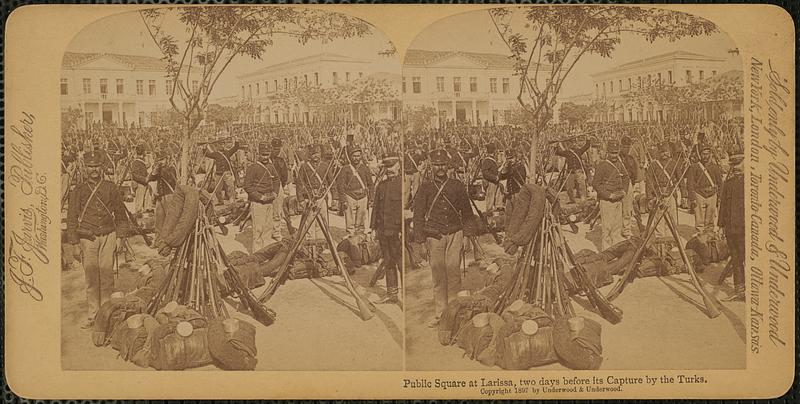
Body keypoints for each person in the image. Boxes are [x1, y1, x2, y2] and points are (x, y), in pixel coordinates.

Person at [66, 151, 130, 329]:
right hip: (88, 238)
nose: (94, 170)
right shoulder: (78, 190)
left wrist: (120, 237)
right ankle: (93, 315)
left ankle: (106, 314)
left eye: (97, 166)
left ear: (102, 167)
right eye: (90, 166)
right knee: (92, 278)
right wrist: (74, 244)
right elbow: (71, 218)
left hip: (109, 236)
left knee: (107, 275)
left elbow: (121, 215)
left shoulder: (111, 187)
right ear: (85, 168)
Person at [413, 149, 474, 327]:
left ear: (448, 166)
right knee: (438, 276)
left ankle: (454, 313)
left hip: (455, 233)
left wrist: (467, 236)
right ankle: (441, 314)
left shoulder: (457, 185)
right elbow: (418, 215)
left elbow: (468, 213)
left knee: (454, 274)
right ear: (432, 166)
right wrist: (421, 242)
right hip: (434, 235)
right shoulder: (425, 187)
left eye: (443, 165)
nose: (440, 168)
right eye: (437, 165)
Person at [370, 155, 403, 305]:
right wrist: (373, 228)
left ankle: (406, 297)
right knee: (389, 261)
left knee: (401, 263)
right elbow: (376, 208)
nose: (389, 170)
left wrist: (404, 229)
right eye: (387, 168)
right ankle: (392, 294)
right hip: (383, 230)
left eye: (392, 167)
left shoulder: (403, 185)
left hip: (398, 231)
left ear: (398, 167)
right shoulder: (381, 186)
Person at [244, 141, 281, 253]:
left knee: (268, 229)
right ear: (258, 154)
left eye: (267, 154)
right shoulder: (253, 167)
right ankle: (257, 254)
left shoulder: (270, 166)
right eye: (263, 154)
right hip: (258, 203)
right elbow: (247, 186)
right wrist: (260, 197)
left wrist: (275, 192)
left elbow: (276, 180)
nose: (265, 157)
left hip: (269, 201)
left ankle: (266, 253)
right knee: (258, 230)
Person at [718, 148, 745, 301]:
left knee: (749, 259)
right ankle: (739, 290)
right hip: (730, 229)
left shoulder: (752, 183)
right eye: (732, 165)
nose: (735, 167)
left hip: (745, 230)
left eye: (738, 164)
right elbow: (723, 206)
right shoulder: (728, 183)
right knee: (736, 259)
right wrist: (721, 226)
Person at [592, 140, 629, 251]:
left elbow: (626, 178)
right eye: (612, 153)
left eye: (616, 153)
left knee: (617, 228)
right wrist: (608, 195)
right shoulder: (602, 165)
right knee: (607, 229)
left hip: (618, 199)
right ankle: (607, 252)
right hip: (607, 200)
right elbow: (596, 184)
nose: (614, 155)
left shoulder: (620, 164)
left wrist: (624, 191)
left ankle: (616, 251)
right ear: (608, 152)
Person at [686, 144, 723, 235]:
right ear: (700, 155)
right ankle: (700, 238)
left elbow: (720, 183)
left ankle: (709, 237)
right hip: (699, 195)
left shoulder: (715, 167)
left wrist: (719, 197)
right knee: (699, 221)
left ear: (710, 154)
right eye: (703, 154)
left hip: (712, 195)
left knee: (710, 220)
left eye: (707, 154)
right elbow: (689, 184)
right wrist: (693, 198)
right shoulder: (694, 167)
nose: (705, 156)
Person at [337, 146, 373, 236]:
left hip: (363, 197)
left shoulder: (365, 168)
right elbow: (340, 185)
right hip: (350, 196)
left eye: (358, 156)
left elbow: (370, 184)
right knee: (350, 221)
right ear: (350, 156)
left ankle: (360, 237)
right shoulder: (345, 169)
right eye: (354, 156)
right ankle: (351, 238)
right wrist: (343, 200)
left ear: (361, 156)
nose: (356, 158)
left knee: (361, 221)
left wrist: (371, 197)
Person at [205, 137, 242, 205]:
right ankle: (220, 201)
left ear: (224, 145)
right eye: (220, 144)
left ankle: (232, 201)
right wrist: (205, 147)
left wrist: (236, 141)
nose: (222, 146)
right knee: (217, 190)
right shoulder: (215, 154)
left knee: (231, 187)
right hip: (218, 174)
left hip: (227, 173)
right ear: (217, 146)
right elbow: (207, 154)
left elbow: (235, 148)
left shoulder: (228, 152)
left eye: (223, 144)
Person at [555, 136, 590, 203]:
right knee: (569, 188)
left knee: (582, 187)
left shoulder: (579, 151)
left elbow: (586, 146)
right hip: (570, 173)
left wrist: (588, 139)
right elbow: (557, 152)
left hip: (579, 172)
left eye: (574, 142)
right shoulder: (567, 152)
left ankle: (583, 200)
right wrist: (556, 144)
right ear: (569, 144)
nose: (573, 144)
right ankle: (572, 200)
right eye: (571, 143)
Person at [619, 136, 639, 238]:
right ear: (621, 146)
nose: (626, 149)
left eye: (628, 147)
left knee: (627, 208)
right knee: (617, 208)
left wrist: (632, 184)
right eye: (624, 146)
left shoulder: (631, 159)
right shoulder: (616, 158)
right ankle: (618, 228)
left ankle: (626, 229)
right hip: (617, 185)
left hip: (628, 184)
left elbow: (634, 173)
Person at [270, 138, 289, 242]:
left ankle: (276, 232)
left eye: (278, 148)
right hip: (266, 186)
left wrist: (281, 185)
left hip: (278, 186)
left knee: (277, 210)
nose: (276, 150)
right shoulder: (266, 159)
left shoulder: (281, 161)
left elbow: (285, 176)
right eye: (274, 148)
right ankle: (269, 230)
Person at [480, 142, 501, 213]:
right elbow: (485, 173)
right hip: (491, 182)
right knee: (490, 199)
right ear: (493, 151)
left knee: (495, 198)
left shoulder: (491, 160)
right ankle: (489, 214)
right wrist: (494, 178)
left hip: (494, 182)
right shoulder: (487, 160)